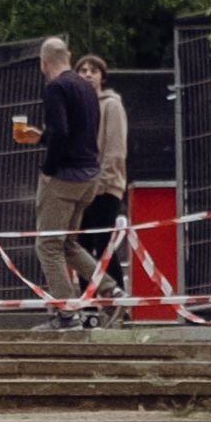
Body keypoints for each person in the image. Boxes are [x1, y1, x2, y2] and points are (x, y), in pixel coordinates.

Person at [28, 36, 109, 330]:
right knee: (68, 243)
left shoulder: (55, 87)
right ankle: (110, 287)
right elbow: (78, 132)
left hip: (63, 178)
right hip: (90, 175)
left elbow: (61, 132)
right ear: (69, 56)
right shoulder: (87, 89)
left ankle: (65, 315)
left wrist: (48, 169)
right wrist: (41, 136)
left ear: (43, 63)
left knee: (48, 246)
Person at [77, 53, 130, 294]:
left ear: (102, 77)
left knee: (104, 245)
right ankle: (89, 307)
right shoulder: (78, 107)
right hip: (81, 188)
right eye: (83, 70)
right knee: (81, 247)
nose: (88, 74)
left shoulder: (111, 105)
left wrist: (103, 183)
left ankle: (117, 299)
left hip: (105, 189)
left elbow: (115, 150)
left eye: (93, 70)